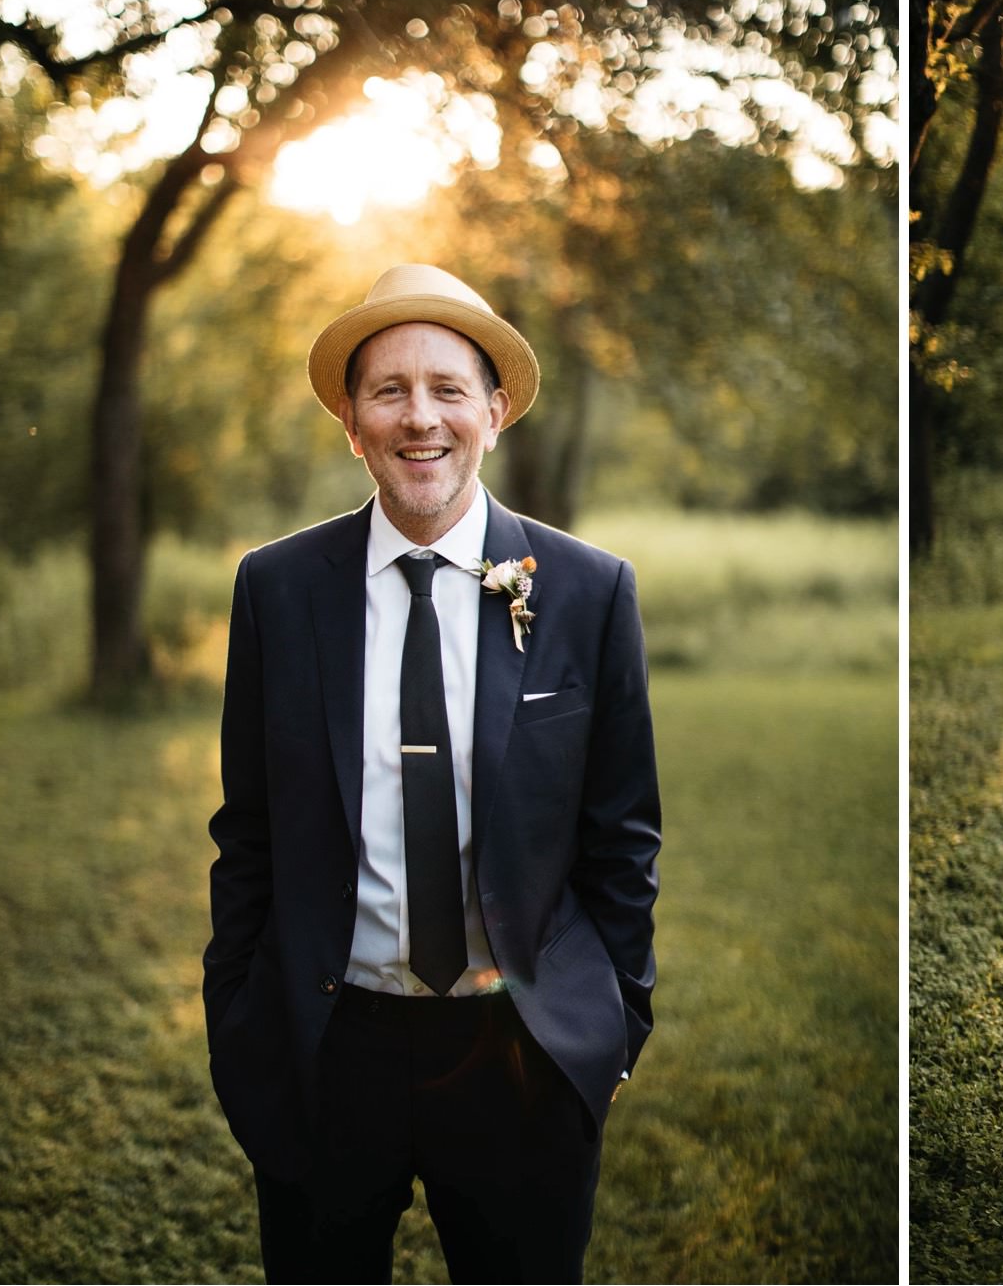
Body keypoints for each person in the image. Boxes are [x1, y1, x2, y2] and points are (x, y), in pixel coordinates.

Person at [202, 263, 661, 1281]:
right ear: (351, 420)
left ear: (494, 413)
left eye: (449, 389)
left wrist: (615, 1023)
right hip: (329, 1042)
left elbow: (623, 835)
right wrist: (239, 1018)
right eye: (389, 390)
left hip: (521, 1049)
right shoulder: (276, 589)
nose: (422, 418)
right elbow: (249, 832)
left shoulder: (587, 590)